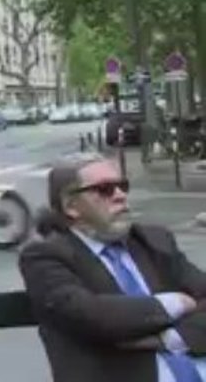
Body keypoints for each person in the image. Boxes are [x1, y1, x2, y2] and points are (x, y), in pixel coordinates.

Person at [19, 152, 206, 382]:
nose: (120, 196)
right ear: (71, 206)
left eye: (122, 186)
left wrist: (171, 339)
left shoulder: (153, 240)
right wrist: (172, 303)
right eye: (104, 189)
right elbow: (92, 316)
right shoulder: (45, 257)